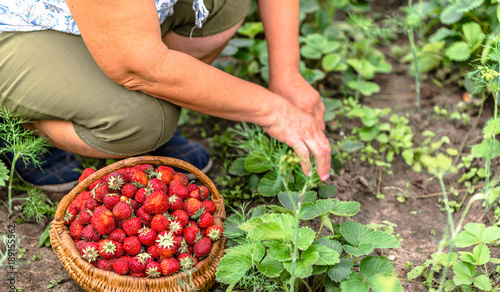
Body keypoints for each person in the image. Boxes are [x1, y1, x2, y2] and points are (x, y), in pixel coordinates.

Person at [0, 0, 331, 192]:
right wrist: (274, 111)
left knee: (226, 5)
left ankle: (137, 96)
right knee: (143, 121)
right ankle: (20, 128)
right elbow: (137, 66)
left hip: (120, 16)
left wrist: (287, 73)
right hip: (21, 24)